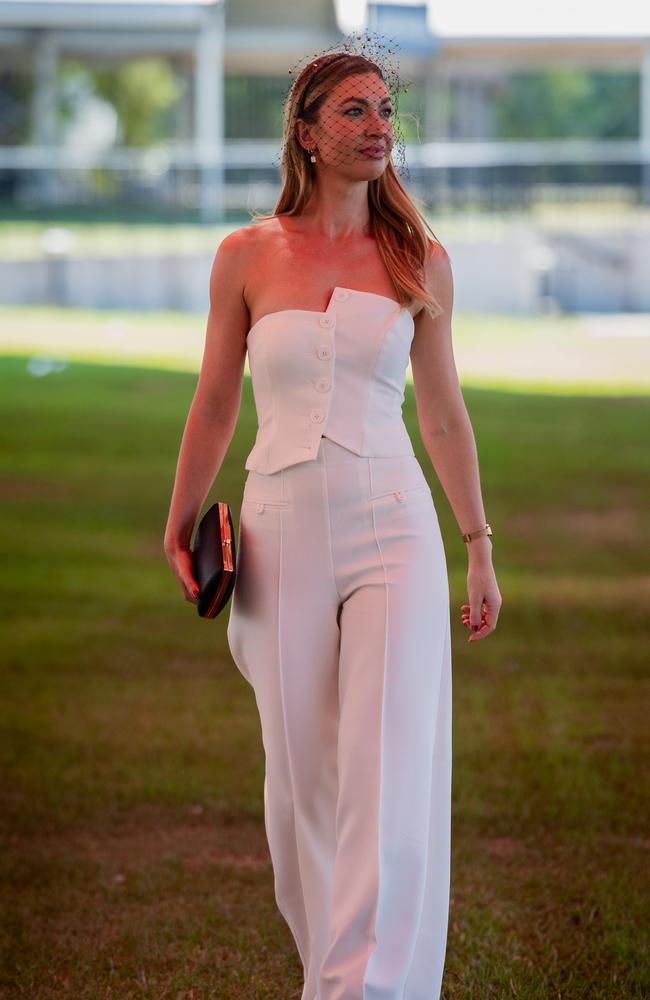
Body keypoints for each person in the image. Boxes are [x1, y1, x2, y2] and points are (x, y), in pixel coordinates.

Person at [164, 45, 502, 1000]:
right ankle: (331, 970)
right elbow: (215, 404)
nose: (377, 125)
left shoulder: (420, 258)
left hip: (393, 525)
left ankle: (366, 990)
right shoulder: (245, 255)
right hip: (276, 532)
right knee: (303, 784)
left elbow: (442, 412)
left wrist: (478, 547)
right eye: (353, 110)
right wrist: (180, 518)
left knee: (387, 772)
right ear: (307, 133)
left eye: (386, 109)